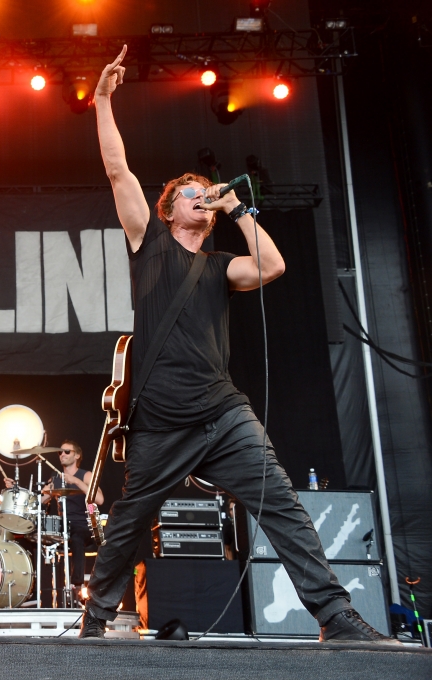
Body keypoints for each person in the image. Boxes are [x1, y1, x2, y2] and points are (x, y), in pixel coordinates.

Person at [78, 45, 396, 644]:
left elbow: (272, 265)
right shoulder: (149, 243)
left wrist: (240, 206)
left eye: (207, 192)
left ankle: (337, 618)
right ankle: (93, 627)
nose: (202, 195)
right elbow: (118, 169)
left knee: (283, 506)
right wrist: (101, 101)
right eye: (191, 192)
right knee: (127, 526)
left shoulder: (223, 265)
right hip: (162, 421)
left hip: (223, 415)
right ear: (170, 209)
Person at [3, 441, 104, 603]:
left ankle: (76, 588)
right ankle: (30, 590)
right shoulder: (55, 479)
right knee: (29, 538)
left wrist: (76, 482)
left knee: (77, 536)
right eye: (60, 453)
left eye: (66, 452)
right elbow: (38, 500)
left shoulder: (85, 475)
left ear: (77, 455)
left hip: (83, 527)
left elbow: (100, 499)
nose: (62, 455)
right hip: (61, 527)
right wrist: (16, 489)